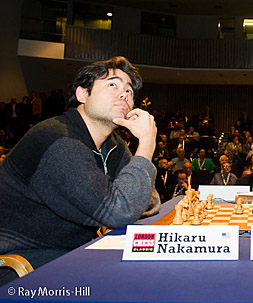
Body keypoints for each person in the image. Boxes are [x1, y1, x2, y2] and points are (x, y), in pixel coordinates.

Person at [0, 56, 160, 286]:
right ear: (82, 95)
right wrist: (146, 144)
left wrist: (127, 200)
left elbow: (147, 200)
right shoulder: (59, 139)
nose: (124, 94)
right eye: (112, 84)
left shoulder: (113, 145)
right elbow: (122, 210)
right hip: (23, 261)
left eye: (129, 90)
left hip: (69, 250)